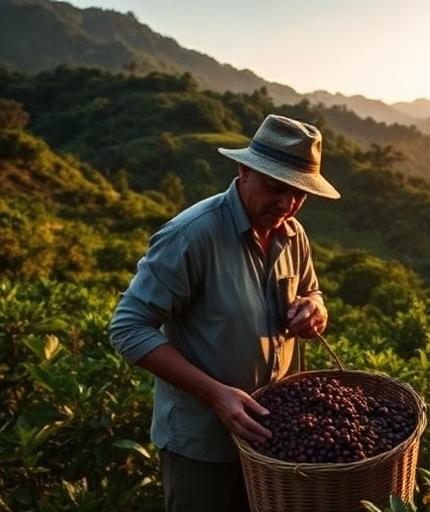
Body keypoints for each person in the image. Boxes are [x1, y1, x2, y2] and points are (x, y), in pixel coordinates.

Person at [109, 114, 340, 511]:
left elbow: (311, 290)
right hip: (202, 444)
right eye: (275, 188)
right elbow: (128, 328)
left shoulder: (292, 233)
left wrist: (315, 310)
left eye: (299, 194)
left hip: (274, 440)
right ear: (244, 170)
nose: (287, 203)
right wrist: (215, 395)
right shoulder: (192, 236)